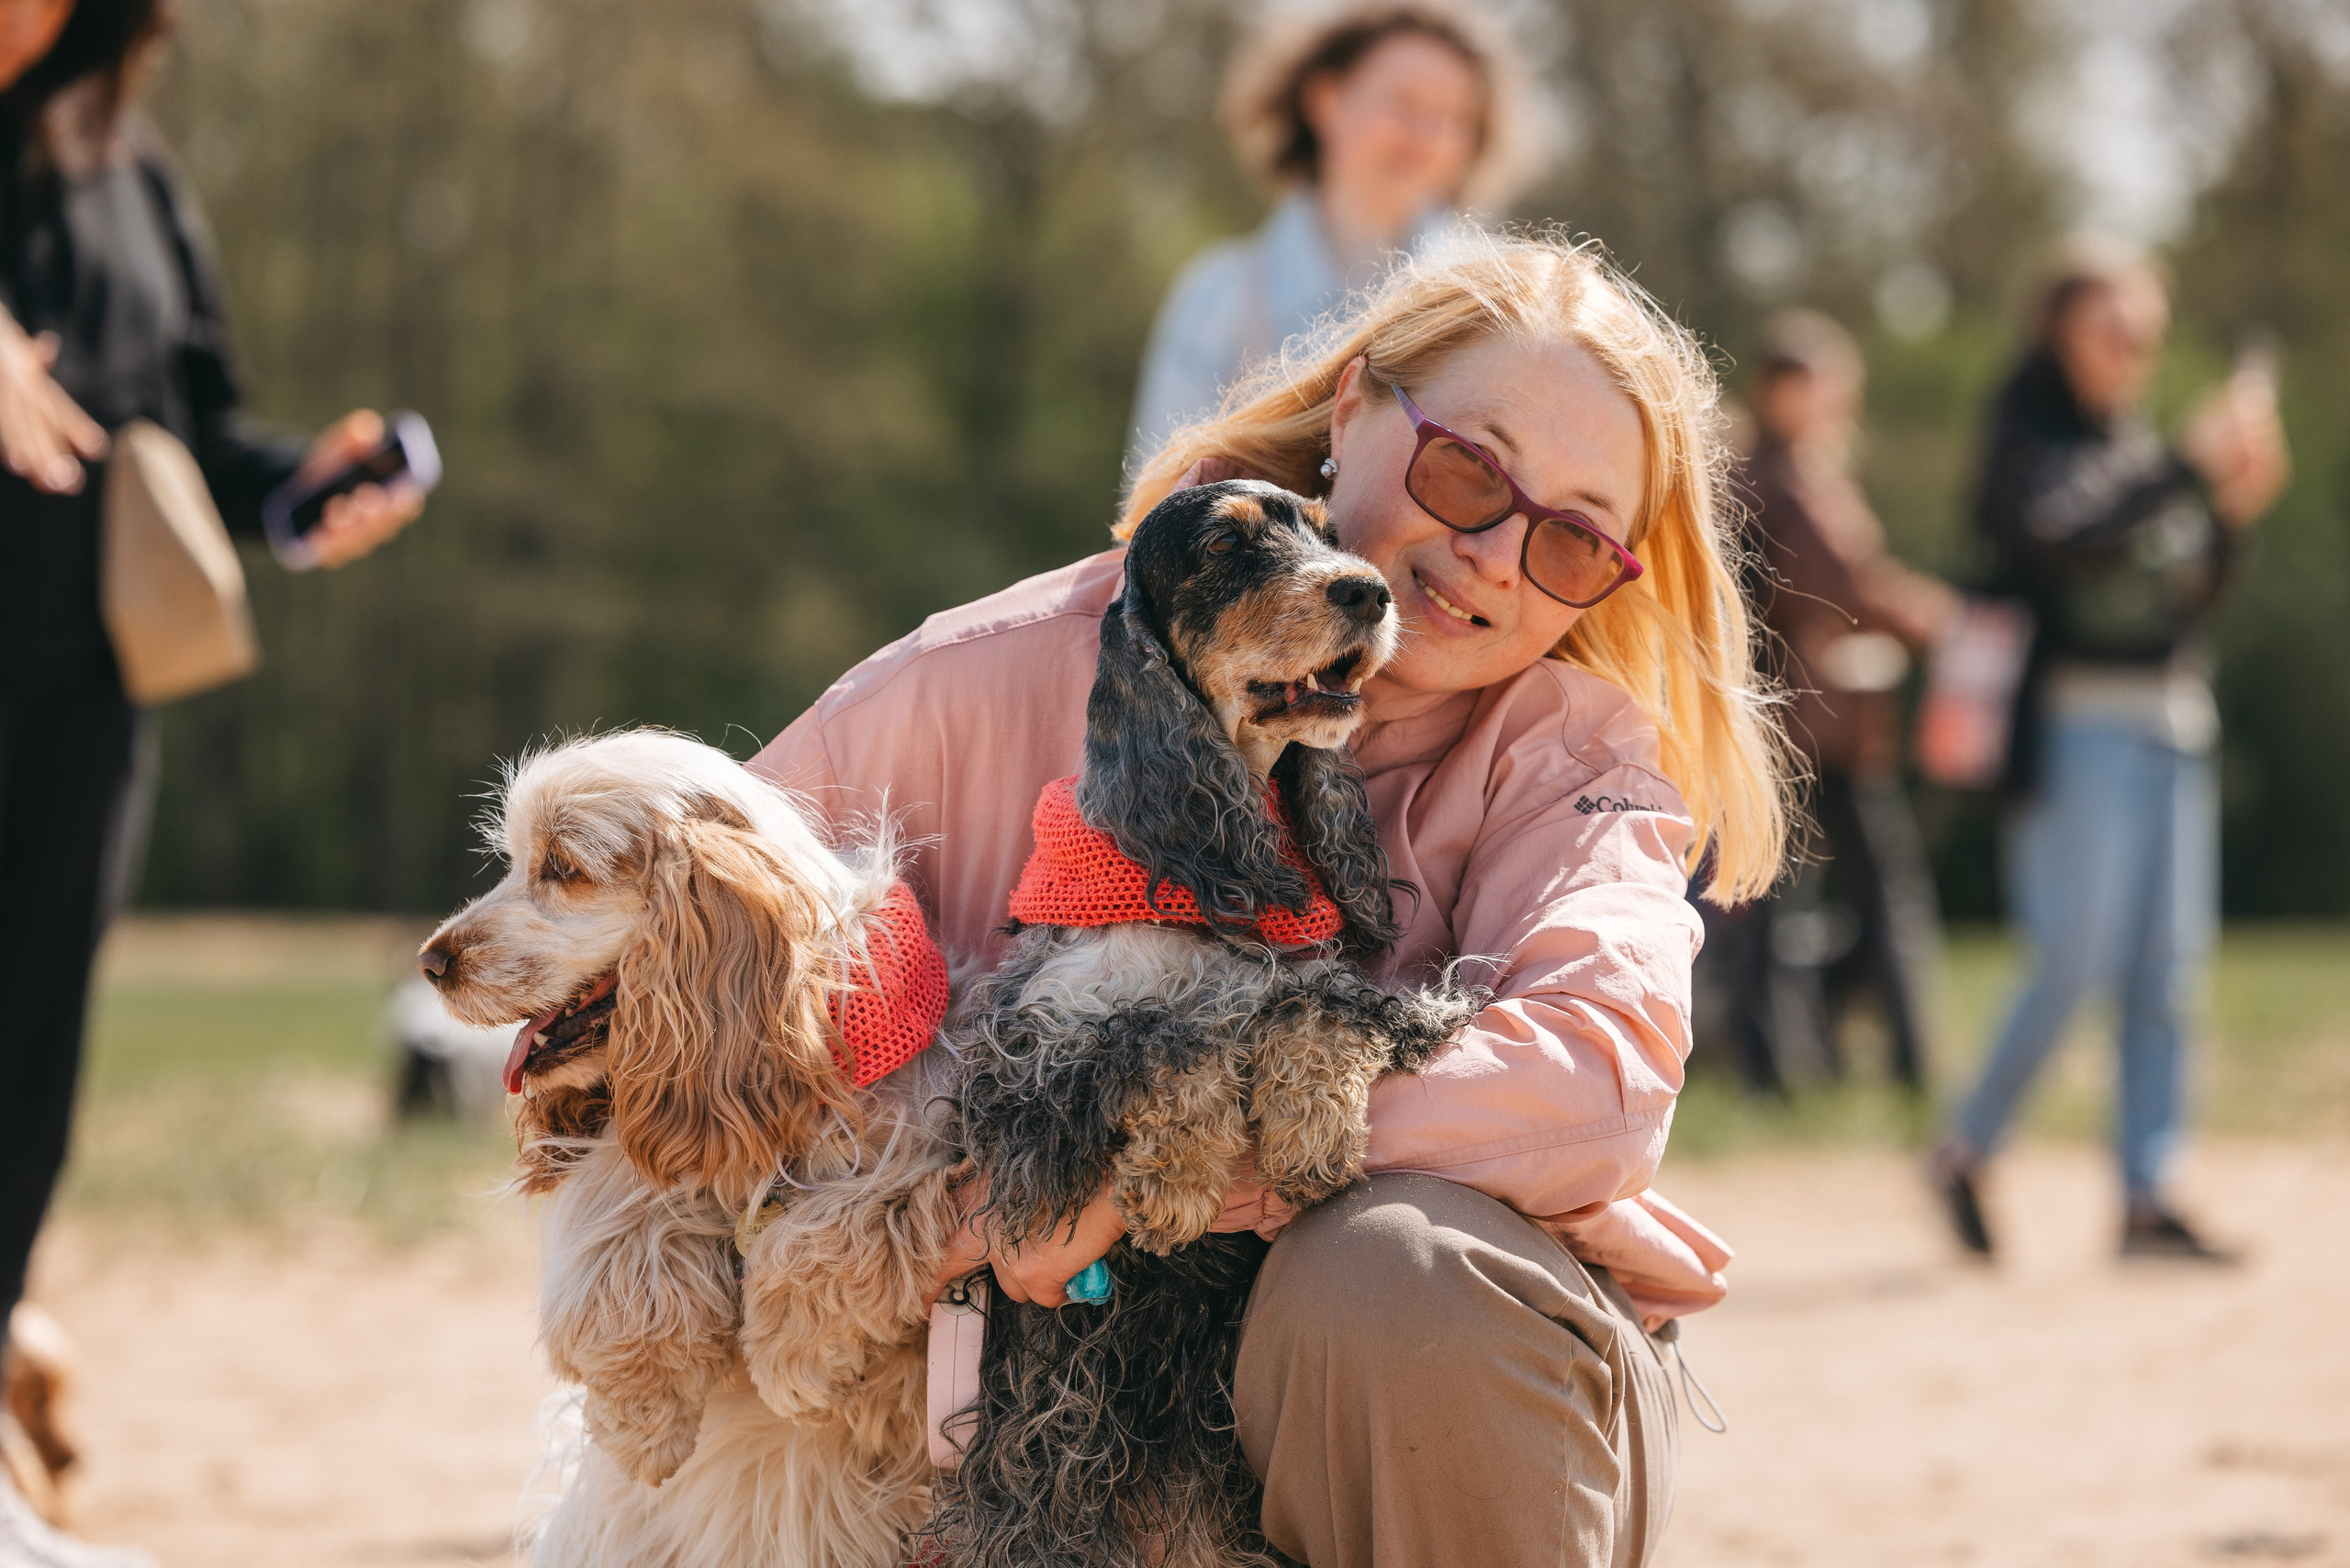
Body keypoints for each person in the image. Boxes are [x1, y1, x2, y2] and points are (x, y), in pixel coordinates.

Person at [757, 233, 1791, 1567]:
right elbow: (666, 934)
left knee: (1395, 1273)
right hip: (1002, 1424)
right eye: (1468, 470)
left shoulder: (1575, 757)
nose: (1494, 554)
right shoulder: (989, 676)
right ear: (1353, 407)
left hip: (1428, 1420)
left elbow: (1601, 1080)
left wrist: (1166, 1163)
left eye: (1574, 541)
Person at [0, 2, 421, 1548]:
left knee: (25, 1066)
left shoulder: (124, 171)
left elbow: (183, 428)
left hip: (80, 689)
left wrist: (302, 485)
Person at [1929, 242, 2288, 1262]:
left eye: (2145, 330)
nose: (2133, 346)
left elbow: (2187, 597)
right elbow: (2071, 543)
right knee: (2071, 962)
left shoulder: (2132, 443)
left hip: (2172, 719)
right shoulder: (2028, 441)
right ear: (2058, 330)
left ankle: (2145, 1194)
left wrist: (2230, 516)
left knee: (2168, 972)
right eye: (2112, 326)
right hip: (2074, 727)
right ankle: (1965, 1147)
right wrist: (2189, 468)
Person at [1125, 0, 1534, 466]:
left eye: (1454, 116)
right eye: (1404, 103)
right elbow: (1161, 489)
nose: (1426, 135)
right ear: (1325, 101)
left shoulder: (1502, 301)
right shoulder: (1219, 296)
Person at [1715, 310, 1958, 1092]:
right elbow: (1847, 584)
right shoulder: (1777, 479)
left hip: (1798, 722)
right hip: (1811, 726)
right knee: (1870, 893)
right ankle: (1896, 1065)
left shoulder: (1781, 471)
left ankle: (1786, 1068)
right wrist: (1938, 619)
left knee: (1778, 900)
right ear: (1779, 388)